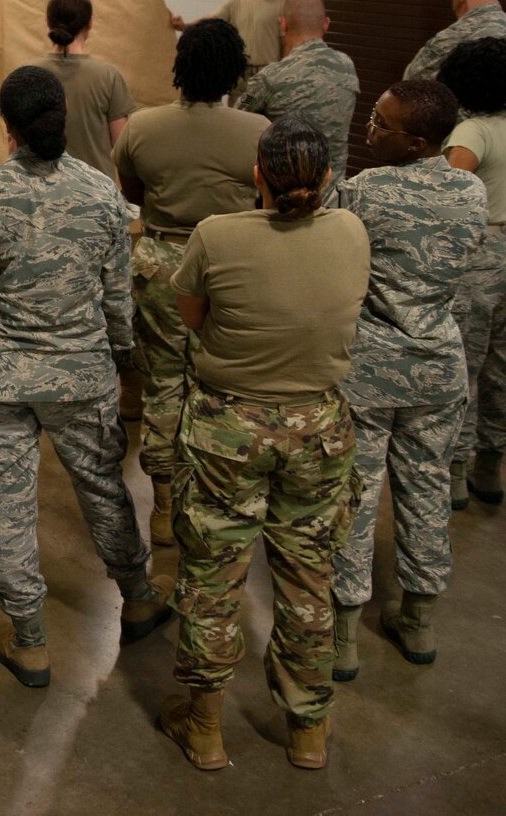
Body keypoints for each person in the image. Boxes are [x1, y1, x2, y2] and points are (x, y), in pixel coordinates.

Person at [0, 66, 169, 689]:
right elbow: (118, 297)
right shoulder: (100, 195)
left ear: (4, 126)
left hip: (0, 379)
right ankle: (140, 597)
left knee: (9, 505)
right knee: (102, 489)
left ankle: (30, 640)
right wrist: (120, 356)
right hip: (81, 375)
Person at [157, 118, 370, 773]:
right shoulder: (352, 231)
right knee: (309, 574)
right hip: (320, 429)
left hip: (229, 427)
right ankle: (309, 734)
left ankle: (206, 730)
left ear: (258, 176)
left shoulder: (217, 236)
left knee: (213, 575)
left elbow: (191, 317)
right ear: (328, 178)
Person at [331, 79, 485, 682]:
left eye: (381, 124)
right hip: (438, 365)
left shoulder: (364, 192)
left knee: (356, 491)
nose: (369, 130)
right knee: (425, 489)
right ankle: (417, 618)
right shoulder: (471, 191)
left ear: (418, 141)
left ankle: (344, 631)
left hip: (370, 365)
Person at [112, 19, 268, 547]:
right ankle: (223, 493)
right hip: (234, 264)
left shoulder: (142, 127)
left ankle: (162, 505)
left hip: (164, 264)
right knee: (229, 385)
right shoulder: (259, 132)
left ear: (179, 67)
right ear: (233, 71)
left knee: (163, 383)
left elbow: (133, 190)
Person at [437, 39, 506, 510]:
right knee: (499, 362)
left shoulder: (471, 132)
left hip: (476, 255)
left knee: (463, 364)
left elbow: (450, 192)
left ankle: (454, 473)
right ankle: (490, 466)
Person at [237, 0, 359, 201]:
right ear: (326, 24)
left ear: (282, 24)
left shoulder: (270, 78)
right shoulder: (347, 66)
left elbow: (236, 120)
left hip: (283, 202)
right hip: (333, 199)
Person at [26, 0, 136, 182]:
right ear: (90, 22)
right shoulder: (108, 76)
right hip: (97, 197)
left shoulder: (29, 74)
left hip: (41, 197)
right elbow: (121, 149)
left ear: (48, 21)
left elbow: (16, 145)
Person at [172, 0, 284, 81]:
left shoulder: (281, 3)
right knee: (239, 102)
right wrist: (184, 26)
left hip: (268, 73)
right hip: (240, 74)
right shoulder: (233, 4)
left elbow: (288, 43)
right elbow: (209, 21)